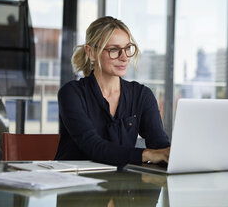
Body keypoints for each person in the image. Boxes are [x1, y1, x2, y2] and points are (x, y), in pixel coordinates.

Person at [55, 16, 170, 166]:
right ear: (91, 53)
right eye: (114, 50)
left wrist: (171, 155)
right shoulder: (71, 93)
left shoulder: (142, 95)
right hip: (75, 182)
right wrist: (147, 154)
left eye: (128, 48)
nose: (124, 57)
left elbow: (160, 145)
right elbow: (93, 147)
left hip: (122, 185)